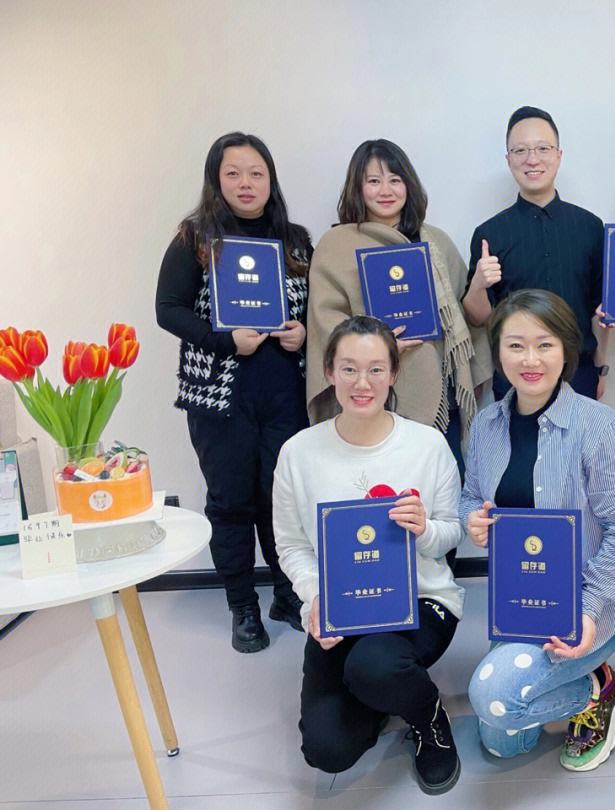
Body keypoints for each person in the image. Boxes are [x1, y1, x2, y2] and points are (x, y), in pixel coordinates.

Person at [274, 315, 465, 795]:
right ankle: (383, 691)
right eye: (349, 369)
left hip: (421, 600)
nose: (363, 383)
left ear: (394, 373)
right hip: (342, 608)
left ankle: (428, 717)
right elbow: (292, 545)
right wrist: (316, 598)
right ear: (329, 372)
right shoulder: (298, 453)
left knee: (373, 667)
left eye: (377, 369)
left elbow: (451, 533)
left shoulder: (428, 445)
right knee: (327, 750)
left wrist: (424, 529)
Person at [461, 290, 615, 771]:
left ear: (566, 349)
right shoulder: (486, 425)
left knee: (494, 696)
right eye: (515, 345)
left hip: (588, 606)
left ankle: (599, 691)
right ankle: (589, 685)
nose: (530, 360)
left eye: (544, 345)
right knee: (502, 742)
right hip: (519, 605)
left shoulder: (599, 426)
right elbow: (470, 495)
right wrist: (472, 519)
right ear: (498, 352)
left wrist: (588, 610)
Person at [155, 132, 310, 653]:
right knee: (231, 502)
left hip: (284, 394)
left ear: (271, 180)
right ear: (216, 179)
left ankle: (287, 595)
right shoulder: (195, 238)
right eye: (234, 173)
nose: (246, 183)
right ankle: (243, 606)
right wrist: (224, 341)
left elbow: (316, 308)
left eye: (256, 173)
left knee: (280, 499)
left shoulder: (295, 240)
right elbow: (168, 309)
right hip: (219, 398)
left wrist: (304, 333)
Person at [305, 139, 491, 471]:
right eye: (373, 181)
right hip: (370, 395)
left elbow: (466, 320)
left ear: (409, 184)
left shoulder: (435, 242)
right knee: (381, 488)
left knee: (441, 488)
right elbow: (326, 321)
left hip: (443, 399)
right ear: (357, 188)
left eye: (395, 179)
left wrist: (478, 285)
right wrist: (378, 347)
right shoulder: (335, 245)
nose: (385, 190)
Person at [463, 106, 609, 400]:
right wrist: (478, 284)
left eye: (543, 148)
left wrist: (602, 368)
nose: (532, 159)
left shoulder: (591, 227)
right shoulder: (489, 233)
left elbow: (600, 311)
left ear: (559, 155)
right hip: (515, 375)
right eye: (520, 150)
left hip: (578, 373)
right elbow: (477, 318)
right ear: (508, 159)